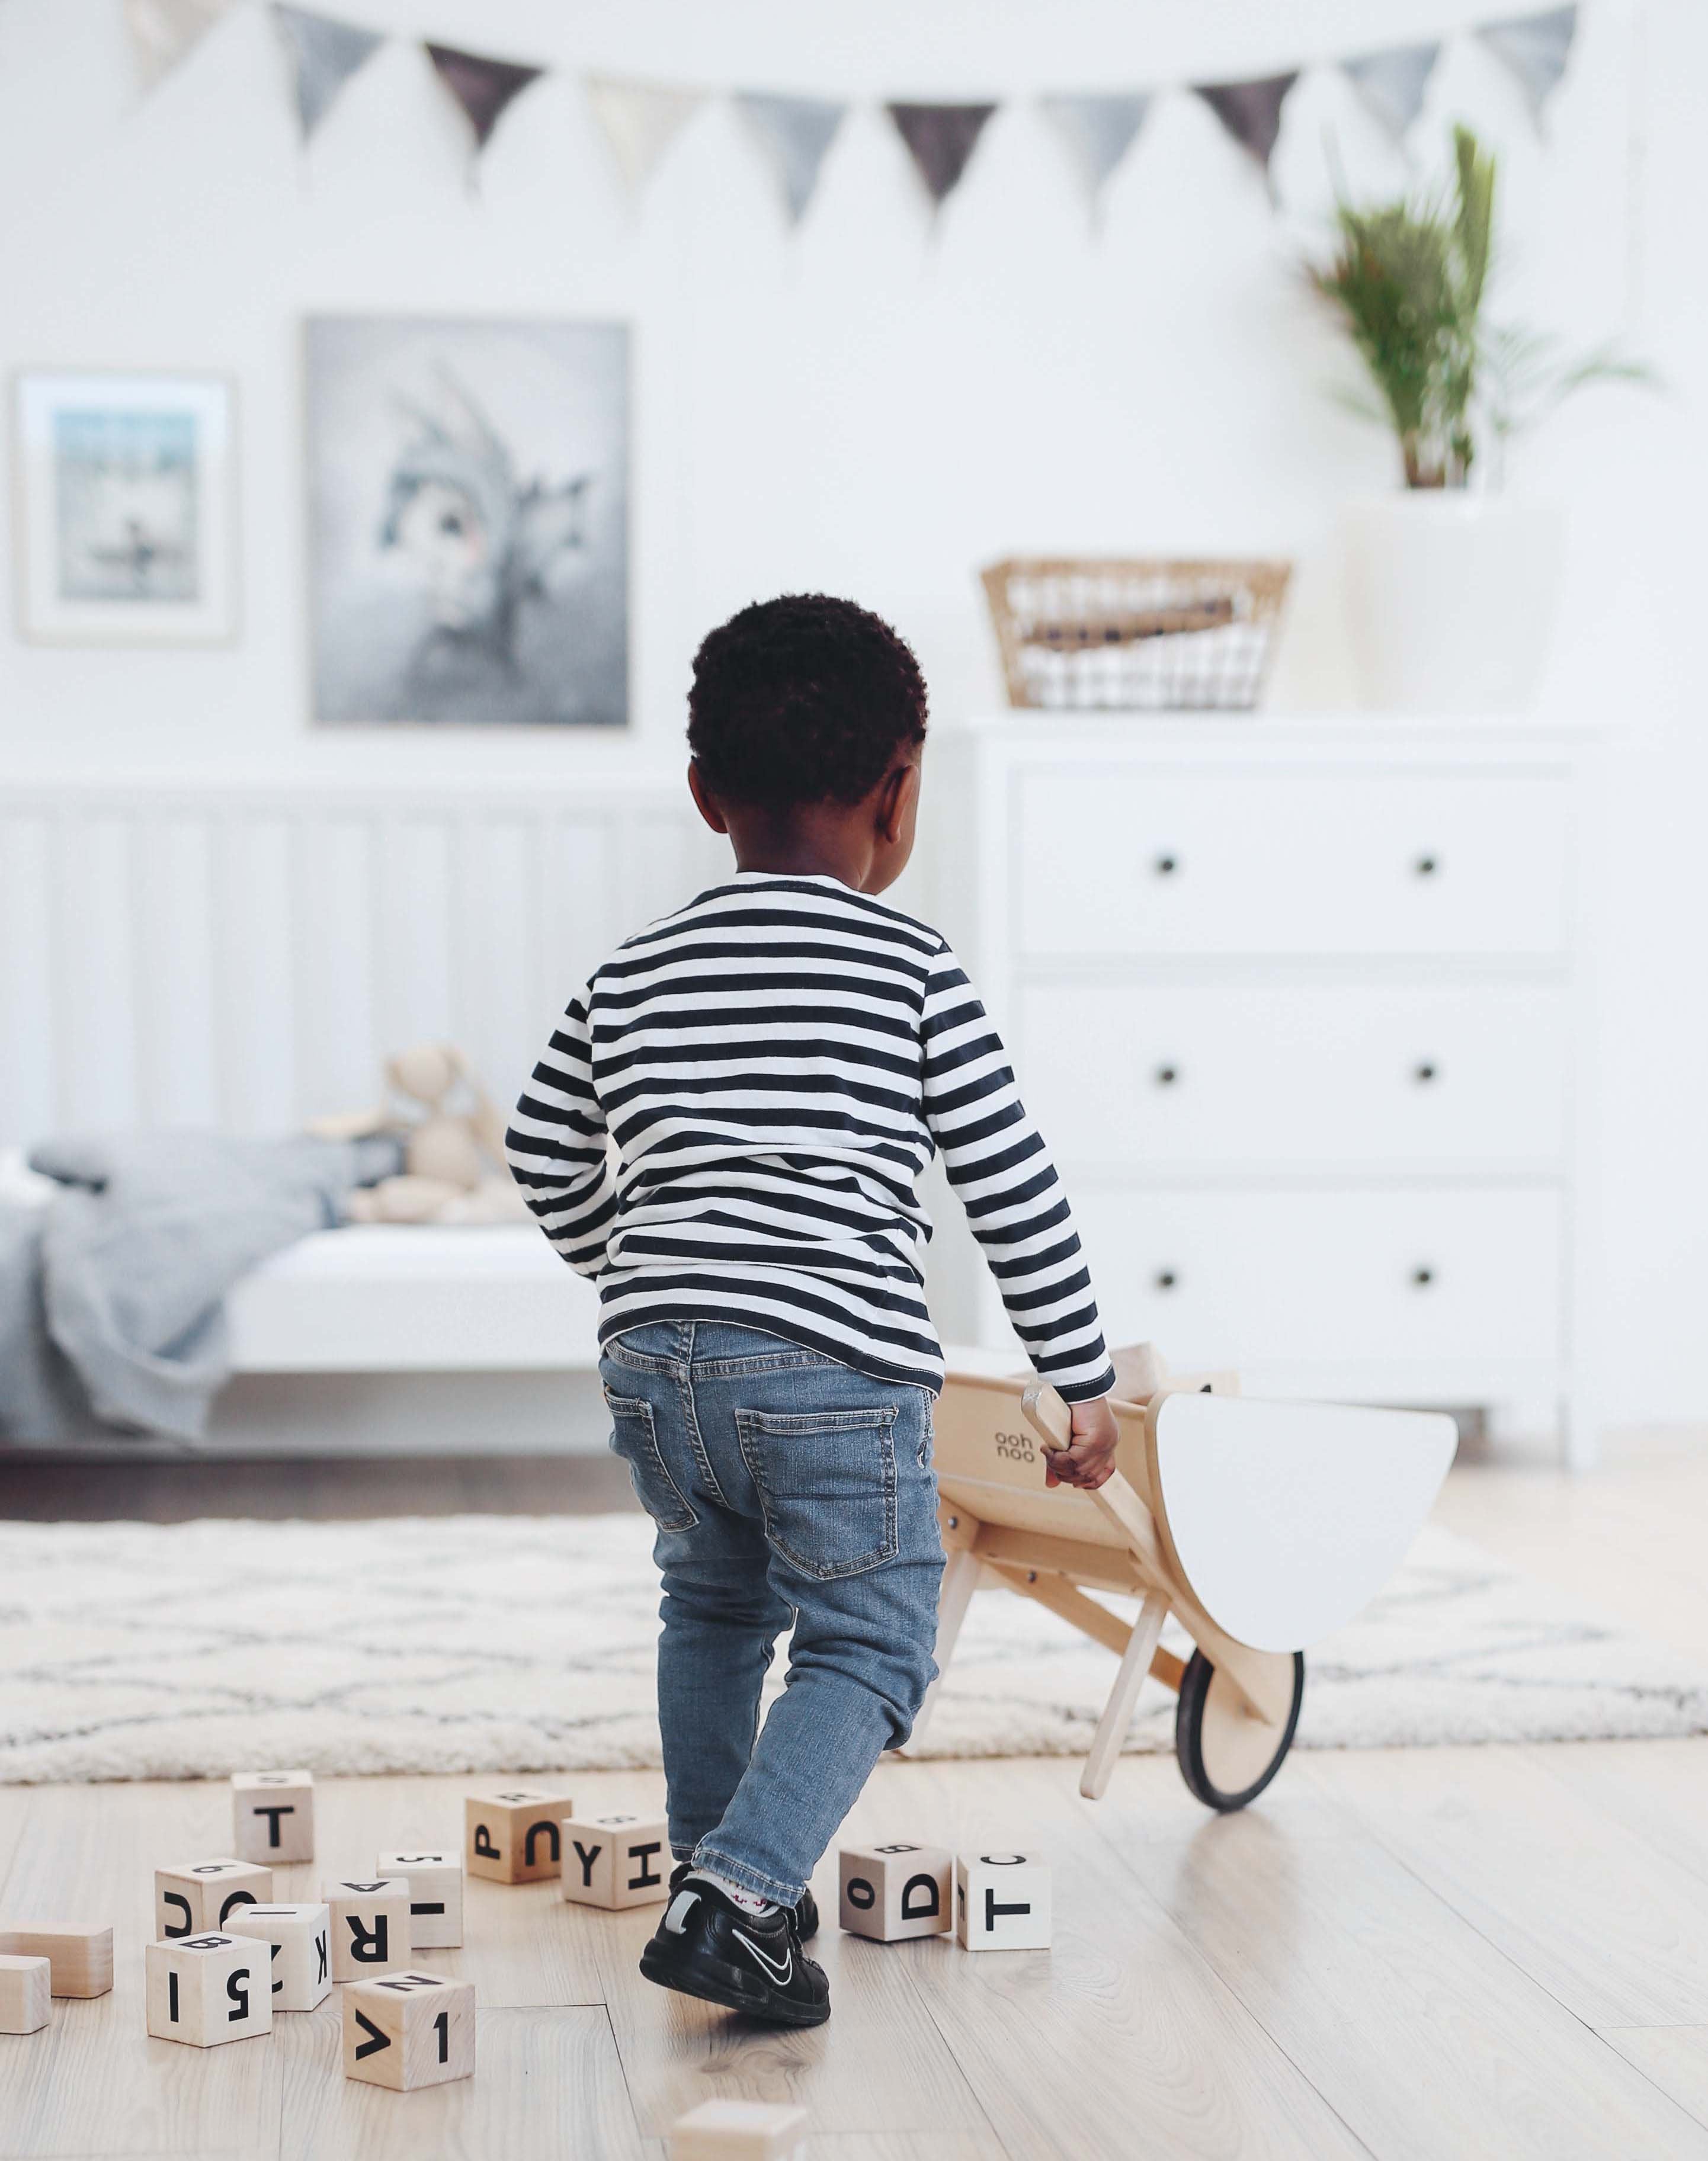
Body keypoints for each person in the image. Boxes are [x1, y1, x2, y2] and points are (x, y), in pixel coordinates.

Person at [506, 593, 1118, 2027]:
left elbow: (542, 1149)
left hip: (657, 1362)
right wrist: (1077, 1375)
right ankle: (742, 1892)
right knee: (870, 1637)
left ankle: (716, 1889)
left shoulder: (633, 965)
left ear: (704, 793)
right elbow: (1007, 1185)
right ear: (899, 792)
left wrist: (639, 1266)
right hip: (832, 1366)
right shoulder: (909, 967)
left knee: (712, 1610)